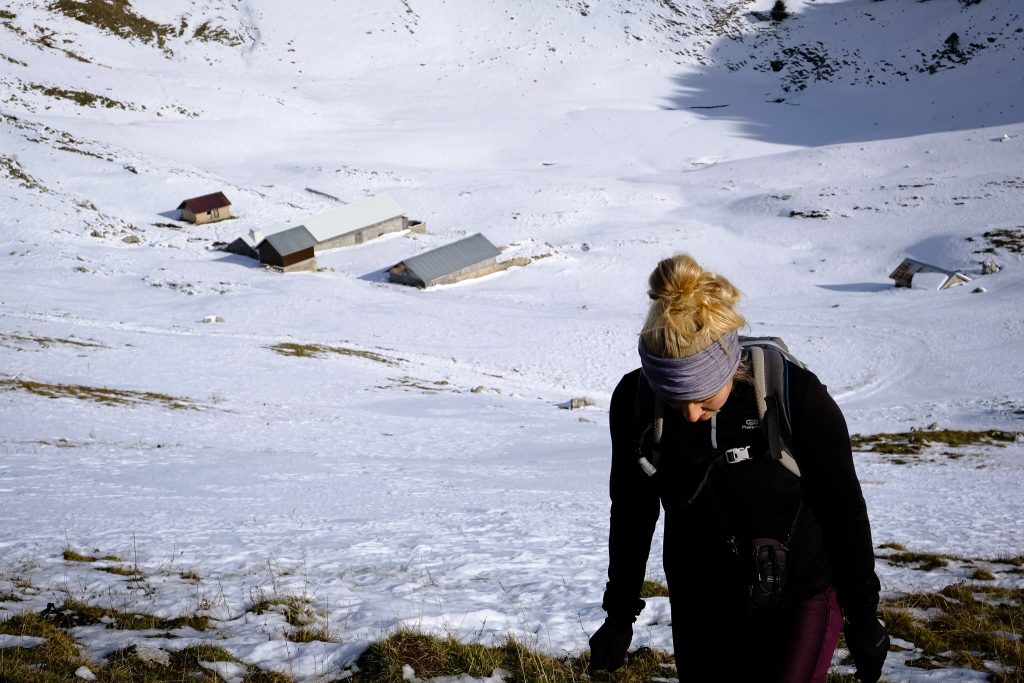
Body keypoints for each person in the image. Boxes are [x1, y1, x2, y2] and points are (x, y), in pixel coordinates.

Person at [588, 253, 889, 682]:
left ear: (729, 364)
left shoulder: (796, 396)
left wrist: (863, 616)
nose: (690, 414)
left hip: (800, 587)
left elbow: (843, 508)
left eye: (704, 396)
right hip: (700, 591)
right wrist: (620, 616)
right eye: (675, 400)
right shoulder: (634, 403)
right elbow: (633, 511)